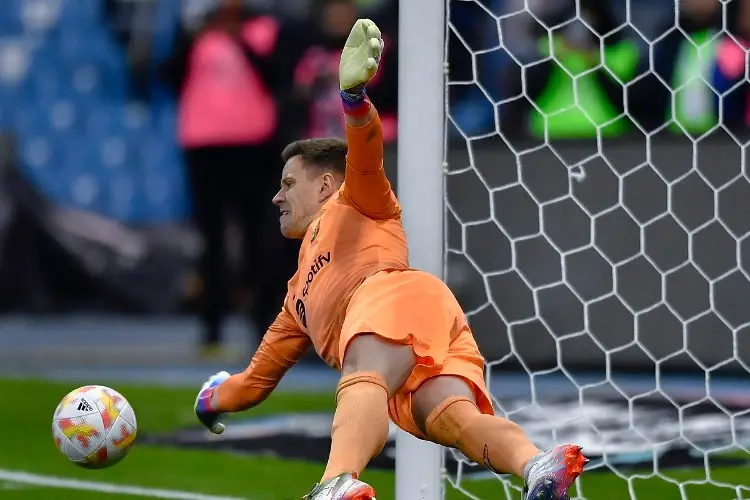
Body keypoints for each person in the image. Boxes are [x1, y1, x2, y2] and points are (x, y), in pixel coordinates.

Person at [193, 19, 587, 500]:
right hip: (426, 323)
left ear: (323, 185)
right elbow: (255, 381)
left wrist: (354, 100)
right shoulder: (297, 299)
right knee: (452, 419)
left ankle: (337, 481)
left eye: (289, 184)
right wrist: (211, 399)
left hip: (390, 296)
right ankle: (537, 467)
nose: (277, 197)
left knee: (366, 367)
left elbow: (364, 155)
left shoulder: (356, 202)